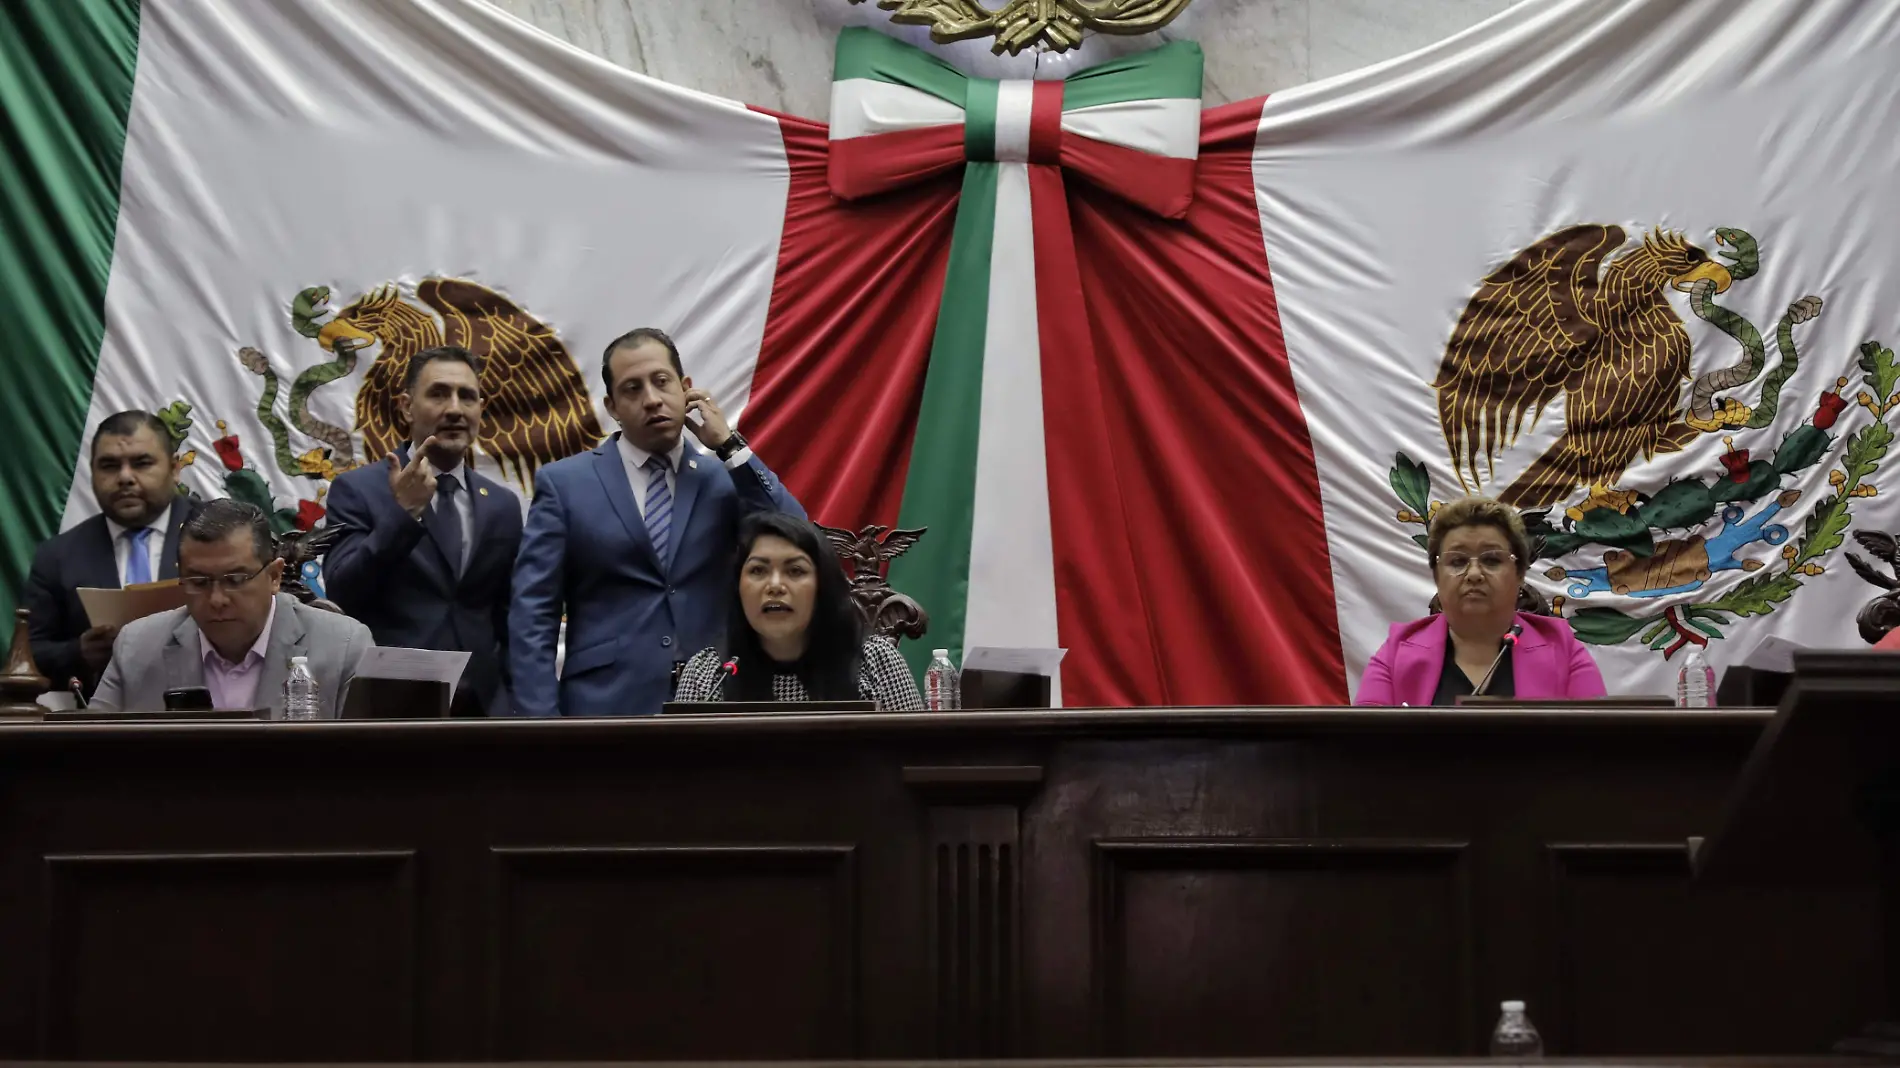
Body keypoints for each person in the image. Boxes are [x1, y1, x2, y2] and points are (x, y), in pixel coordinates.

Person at [510, 327, 806, 717]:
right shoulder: (565, 484)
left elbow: (799, 538)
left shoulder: (723, 478)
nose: (651, 400)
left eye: (661, 382)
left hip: (715, 703)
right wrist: (539, 724)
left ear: (685, 388)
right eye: (632, 389)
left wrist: (730, 447)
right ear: (612, 406)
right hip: (604, 709)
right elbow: (534, 610)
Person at [321, 346, 522, 716]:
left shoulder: (502, 504)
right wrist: (403, 513)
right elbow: (343, 591)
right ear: (406, 406)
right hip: (392, 708)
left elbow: (510, 618)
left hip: (485, 712)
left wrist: (510, 700)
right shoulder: (358, 490)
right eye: (439, 393)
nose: (455, 409)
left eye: (467, 396)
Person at [91, 500, 374, 717]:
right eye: (199, 581)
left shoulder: (345, 647)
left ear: (274, 576)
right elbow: (89, 758)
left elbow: (370, 770)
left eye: (235, 580)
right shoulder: (136, 648)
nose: (217, 599)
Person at [1356, 496, 1606, 705]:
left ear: (1519, 574)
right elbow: (1361, 754)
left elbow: (1599, 752)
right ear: (1436, 576)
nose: (1474, 574)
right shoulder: (1396, 652)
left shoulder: (1562, 648)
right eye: (1457, 561)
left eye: (1492, 560)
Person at [25, 410, 201, 697]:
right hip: (103, 724)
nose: (125, 478)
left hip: (211, 716)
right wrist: (78, 652)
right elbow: (28, 656)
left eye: (142, 463)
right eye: (109, 466)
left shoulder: (219, 535)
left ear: (174, 469)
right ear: (92, 472)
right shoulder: (57, 556)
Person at [674, 512, 924, 711]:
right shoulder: (706, 673)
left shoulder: (877, 662)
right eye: (758, 571)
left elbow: (916, 765)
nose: (774, 586)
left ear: (822, 586)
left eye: (795, 571)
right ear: (738, 586)